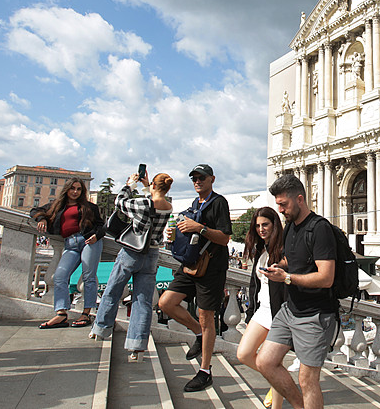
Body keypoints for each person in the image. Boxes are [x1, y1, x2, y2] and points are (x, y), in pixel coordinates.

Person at [255, 174, 338, 409]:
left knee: (307, 379)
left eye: (283, 204)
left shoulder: (320, 229)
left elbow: (326, 277)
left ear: (300, 199)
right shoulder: (290, 227)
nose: (280, 210)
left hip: (315, 314)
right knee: (265, 361)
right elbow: (294, 261)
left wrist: (287, 278)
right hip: (290, 309)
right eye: (278, 204)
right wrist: (279, 266)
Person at [157, 164, 231, 392]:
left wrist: (199, 228)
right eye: (194, 178)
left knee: (206, 316)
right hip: (191, 264)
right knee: (166, 302)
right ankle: (198, 333)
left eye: (201, 178)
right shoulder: (194, 204)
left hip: (211, 268)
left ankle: (205, 370)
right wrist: (175, 233)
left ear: (212, 179)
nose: (197, 181)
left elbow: (225, 238)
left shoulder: (219, 203)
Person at [89, 171, 173, 361]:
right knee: (143, 301)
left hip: (132, 252)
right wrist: (147, 187)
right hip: (152, 255)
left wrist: (130, 185)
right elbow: (153, 202)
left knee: (113, 290)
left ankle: (100, 328)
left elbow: (119, 202)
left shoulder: (143, 204)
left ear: (154, 185)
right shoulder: (168, 207)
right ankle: (137, 346)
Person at [31, 177, 104, 329]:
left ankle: (86, 313)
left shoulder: (89, 207)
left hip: (89, 241)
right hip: (70, 244)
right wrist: (42, 219)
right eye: (73, 188)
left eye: (79, 189)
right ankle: (61, 314)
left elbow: (101, 225)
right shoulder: (57, 206)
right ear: (67, 189)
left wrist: (96, 236)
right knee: (59, 276)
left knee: (88, 276)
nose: (75, 192)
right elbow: (35, 211)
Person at [236, 207, 286, 409]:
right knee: (244, 354)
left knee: (272, 362)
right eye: (257, 226)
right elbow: (253, 284)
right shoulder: (260, 249)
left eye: (265, 224)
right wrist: (250, 311)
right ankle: (279, 379)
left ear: (275, 225)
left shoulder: (284, 249)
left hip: (278, 313)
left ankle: (277, 403)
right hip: (262, 309)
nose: (261, 229)